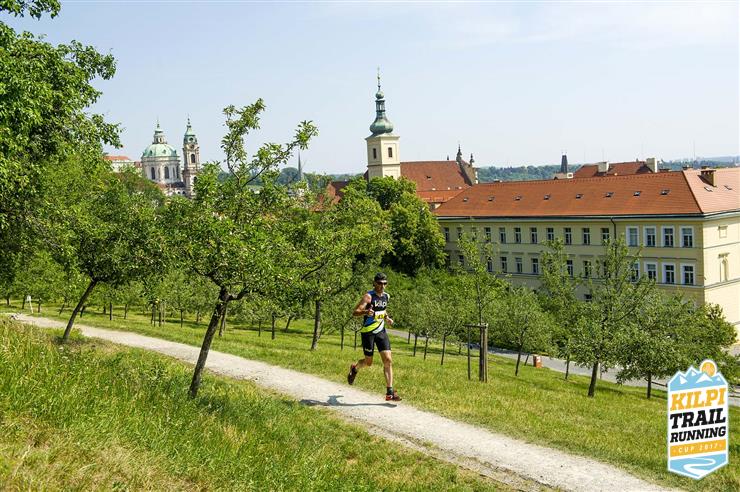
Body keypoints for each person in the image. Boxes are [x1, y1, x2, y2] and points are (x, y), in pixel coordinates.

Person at [347, 272, 401, 401]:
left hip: (381, 331)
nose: (382, 286)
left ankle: (390, 392)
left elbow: (383, 310)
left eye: (385, 283)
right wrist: (366, 312)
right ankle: (355, 368)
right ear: (374, 283)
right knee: (368, 362)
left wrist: (387, 318)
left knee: (388, 360)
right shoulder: (368, 296)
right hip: (368, 333)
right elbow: (355, 312)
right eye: (380, 283)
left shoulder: (386, 296)